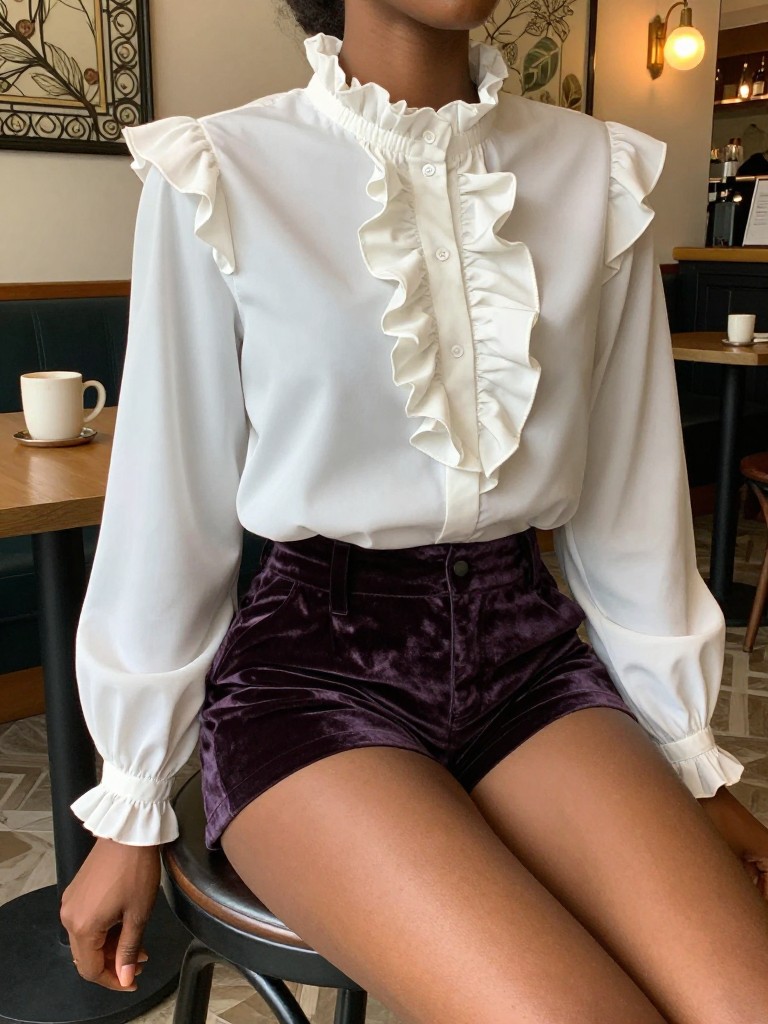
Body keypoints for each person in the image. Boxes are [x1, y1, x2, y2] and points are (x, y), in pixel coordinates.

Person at [59, 1, 768, 1020]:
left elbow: (628, 507)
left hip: (532, 659)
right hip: (309, 674)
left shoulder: (597, 175)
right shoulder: (218, 171)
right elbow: (170, 512)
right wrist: (131, 802)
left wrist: (693, 757)